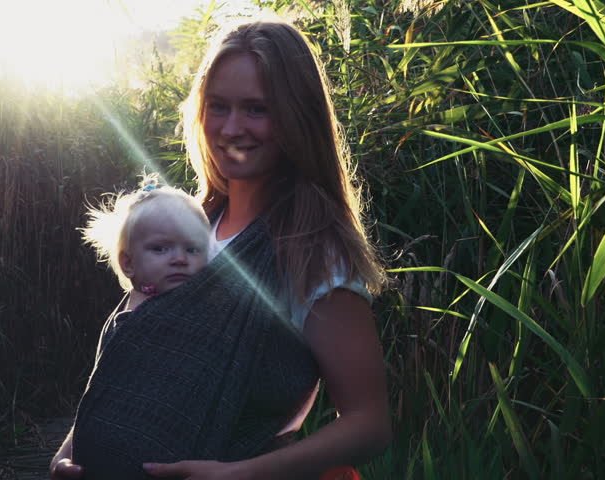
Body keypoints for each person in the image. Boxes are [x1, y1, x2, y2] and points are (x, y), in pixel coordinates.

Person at [52, 19, 390, 480]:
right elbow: (130, 366)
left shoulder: (314, 256)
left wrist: (241, 474)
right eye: (218, 106)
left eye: (256, 109)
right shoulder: (188, 227)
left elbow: (369, 424)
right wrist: (69, 451)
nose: (232, 128)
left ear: (297, 117)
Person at [80, 175, 212, 312]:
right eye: (160, 249)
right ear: (128, 263)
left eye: (192, 249)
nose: (180, 259)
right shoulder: (137, 318)